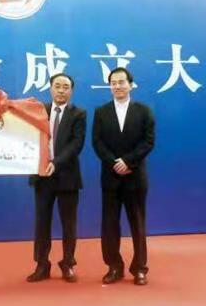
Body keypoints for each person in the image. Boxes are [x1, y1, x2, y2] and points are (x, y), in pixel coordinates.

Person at [92, 67, 155, 286]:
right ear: (109, 86)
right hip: (110, 177)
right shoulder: (101, 112)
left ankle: (140, 268)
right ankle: (114, 266)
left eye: (121, 82)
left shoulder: (144, 111)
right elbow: (97, 142)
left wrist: (128, 161)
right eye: (113, 83)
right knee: (109, 224)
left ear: (131, 85)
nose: (117, 86)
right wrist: (113, 163)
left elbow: (148, 141)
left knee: (137, 223)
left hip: (135, 177)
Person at [27, 73, 86, 283]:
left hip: (67, 176)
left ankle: (68, 264)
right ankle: (42, 264)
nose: (61, 90)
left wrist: (57, 162)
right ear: (50, 88)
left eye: (65, 87)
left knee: (69, 224)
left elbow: (76, 144)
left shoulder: (78, 113)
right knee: (41, 223)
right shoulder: (38, 111)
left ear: (71, 91)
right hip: (42, 176)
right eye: (57, 86)